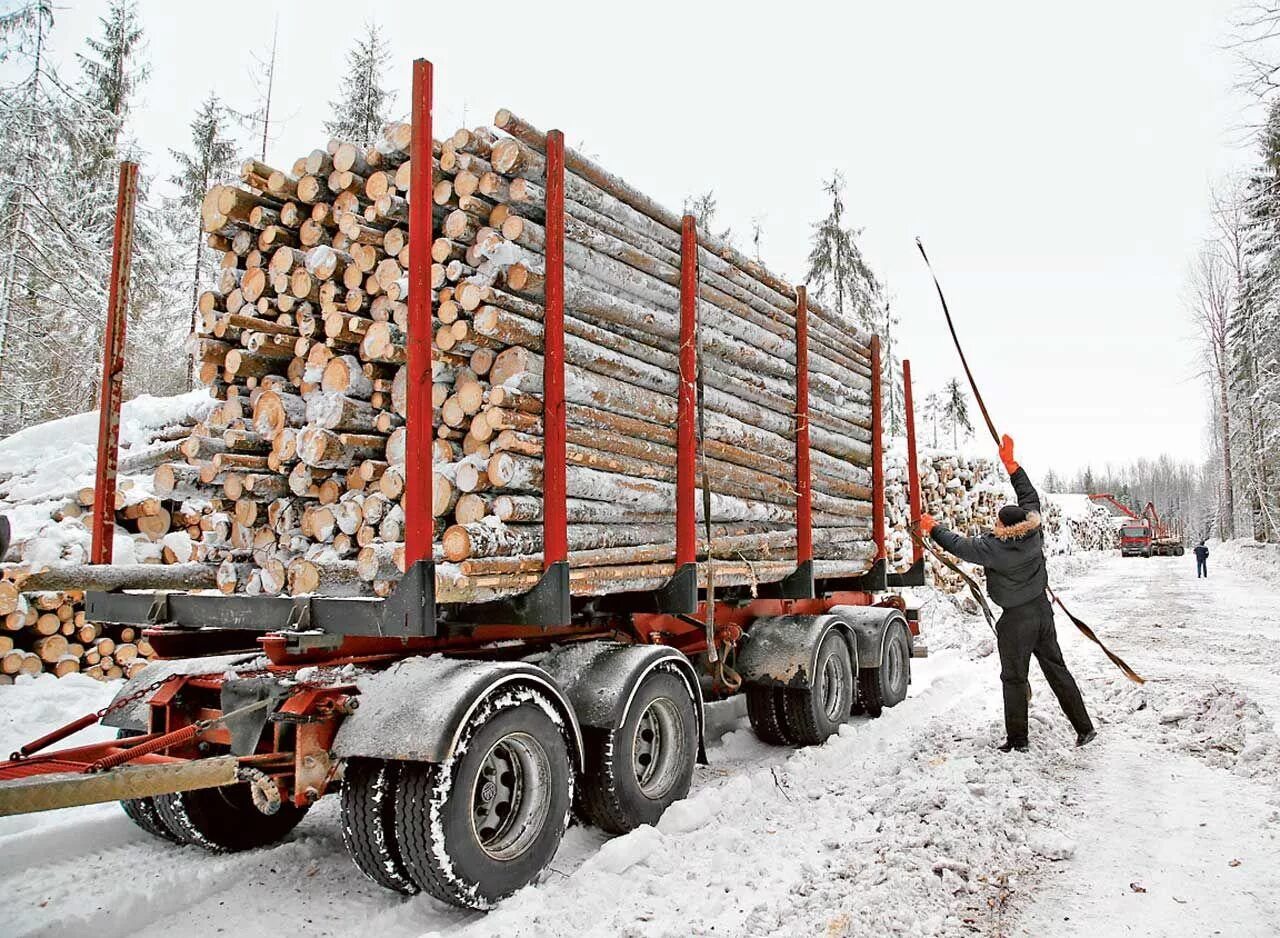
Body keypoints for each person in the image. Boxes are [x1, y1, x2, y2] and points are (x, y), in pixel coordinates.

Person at [919, 435, 1095, 752]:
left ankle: (1018, 741)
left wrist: (932, 527)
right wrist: (1011, 465)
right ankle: (1084, 728)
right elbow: (1028, 496)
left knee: (1014, 679)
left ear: (1003, 526)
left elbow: (958, 545)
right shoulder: (1034, 529)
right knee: (1057, 669)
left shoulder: (994, 548)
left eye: (997, 522)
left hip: (1016, 622)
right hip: (1042, 612)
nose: (994, 524)